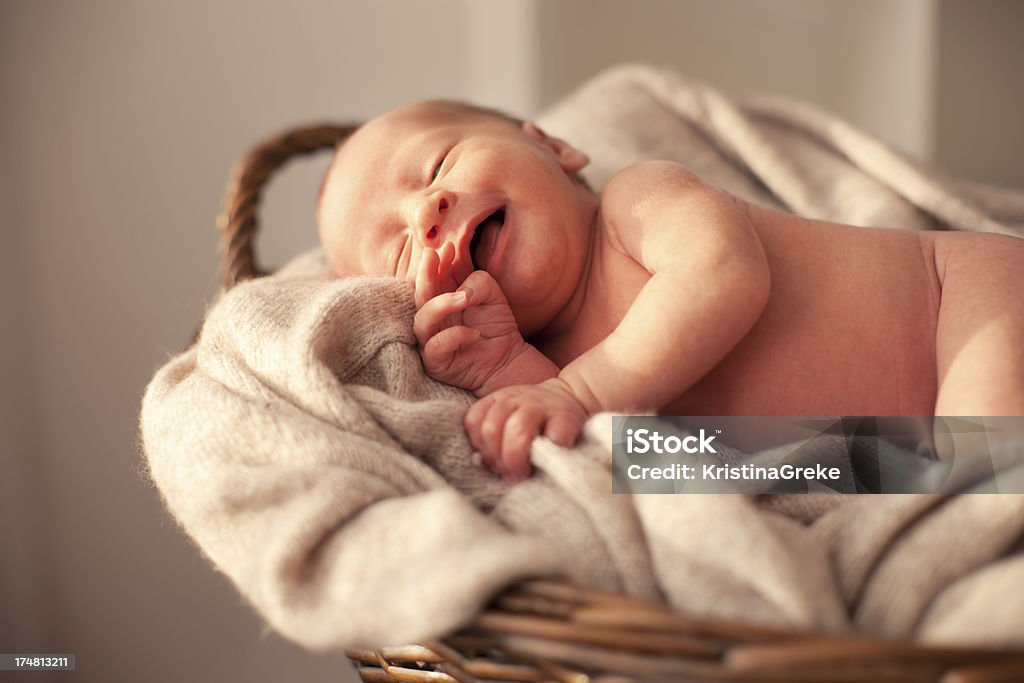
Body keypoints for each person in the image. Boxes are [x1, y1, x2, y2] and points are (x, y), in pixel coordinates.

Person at [316, 100, 1024, 482]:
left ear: (553, 148)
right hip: (893, 453)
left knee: (992, 483)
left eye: (438, 163)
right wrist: (515, 378)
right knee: (956, 499)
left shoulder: (636, 203)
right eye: (402, 246)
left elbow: (724, 275)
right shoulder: (554, 374)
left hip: (962, 308)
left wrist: (580, 393)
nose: (427, 210)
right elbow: (645, 460)